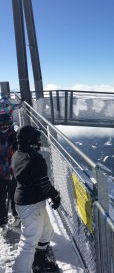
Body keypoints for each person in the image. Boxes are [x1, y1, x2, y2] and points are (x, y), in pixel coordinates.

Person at [11, 125, 61, 272]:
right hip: (31, 205)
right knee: (29, 242)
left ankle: (39, 262)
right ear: (30, 141)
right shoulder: (35, 159)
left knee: (46, 232)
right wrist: (55, 196)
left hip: (26, 201)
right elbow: (44, 184)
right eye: (36, 139)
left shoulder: (17, 154)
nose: (39, 142)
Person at [0, 113, 18, 227]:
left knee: (14, 195)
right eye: (1, 126)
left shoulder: (15, 136)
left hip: (13, 171)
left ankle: (17, 215)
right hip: (1, 172)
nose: (3, 128)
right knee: (1, 196)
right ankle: (2, 220)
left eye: (5, 126)